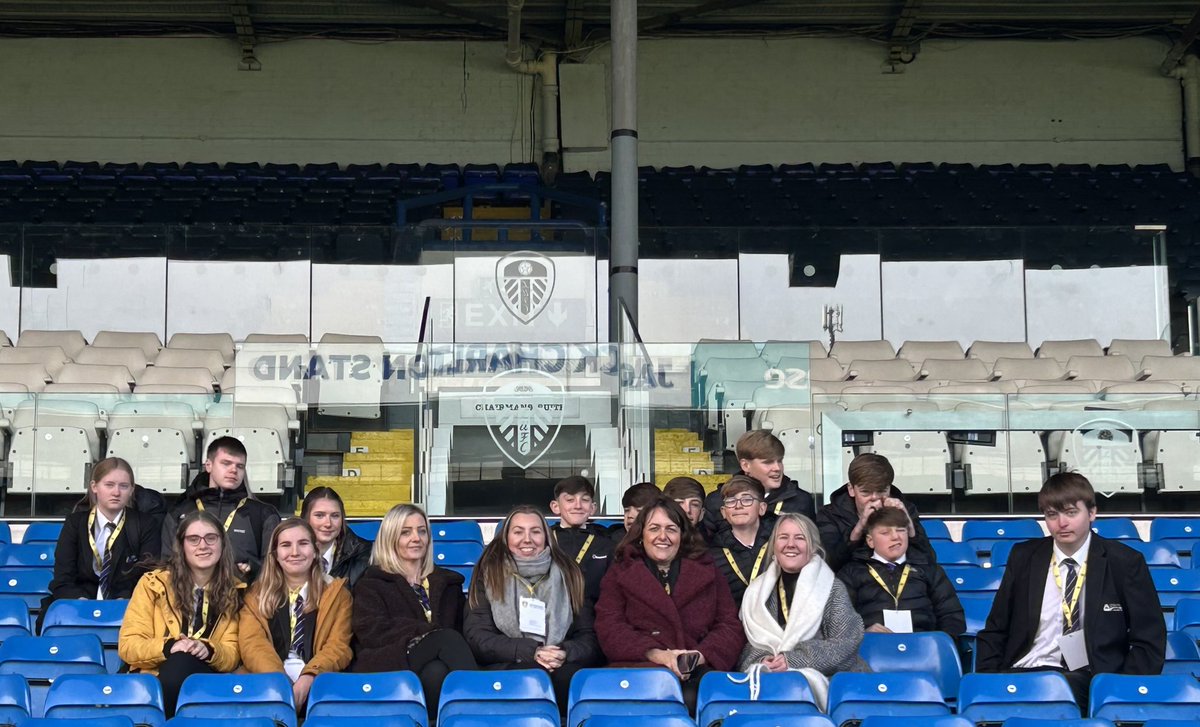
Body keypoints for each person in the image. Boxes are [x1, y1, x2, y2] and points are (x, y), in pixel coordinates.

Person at [975, 472, 1166, 708]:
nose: (1061, 523)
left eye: (1071, 512)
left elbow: (1149, 638)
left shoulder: (1124, 562)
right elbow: (995, 630)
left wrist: (1120, 690)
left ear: (1092, 513)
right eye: (1052, 514)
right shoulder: (1024, 556)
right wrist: (988, 679)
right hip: (1023, 671)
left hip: (1088, 677)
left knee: (1061, 693)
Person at [595, 495, 745, 712]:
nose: (662, 536)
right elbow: (610, 626)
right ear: (641, 535)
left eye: (671, 529)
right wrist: (658, 654)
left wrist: (699, 656)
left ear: (682, 535)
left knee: (704, 699)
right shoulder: (620, 572)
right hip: (638, 669)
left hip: (698, 670)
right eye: (654, 528)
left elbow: (728, 625)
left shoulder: (708, 570)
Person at [465, 506, 601, 714]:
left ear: (546, 537)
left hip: (560, 663)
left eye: (535, 531)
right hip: (506, 663)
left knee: (571, 678)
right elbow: (478, 637)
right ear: (506, 538)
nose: (527, 539)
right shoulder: (488, 574)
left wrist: (564, 652)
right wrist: (531, 652)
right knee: (532, 674)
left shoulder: (571, 574)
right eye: (518, 532)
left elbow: (589, 637)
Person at [352, 504, 477, 723]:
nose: (416, 538)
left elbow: (462, 632)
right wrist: (429, 635)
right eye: (405, 532)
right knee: (445, 638)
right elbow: (372, 633)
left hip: (434, 666)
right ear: (391, 538)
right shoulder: (371, 584)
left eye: (421, 531)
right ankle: (478, 709)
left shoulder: (447, 583)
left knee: (436, 672)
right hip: (390, 660)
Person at [118, 510, 244, 717]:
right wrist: (170, 646)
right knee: (179, 661)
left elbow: (232, 655)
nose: (203, 545)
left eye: (211, 538)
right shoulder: (153, 584)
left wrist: (208, 649)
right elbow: (128, 646)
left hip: (209, 678)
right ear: (181, 545)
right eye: (193, 539)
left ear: (222, 543)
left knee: (183, 662)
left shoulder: (237, 590)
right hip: (154, 677)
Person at [739, 512, 869, 711]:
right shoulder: (756, 593)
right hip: (771, 677)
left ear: (813, 547)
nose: (791, 544)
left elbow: (846, 643)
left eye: (800, 538)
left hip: (829, 680)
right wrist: (762, 660)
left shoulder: (832, 588)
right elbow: (751, 643)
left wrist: (793, 660)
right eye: (783, 537)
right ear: (774, 546)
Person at [239, 518, 353, 713]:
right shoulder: (255, 596)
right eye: (285, 545)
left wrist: (310, 676)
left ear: (315, 549)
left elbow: (338, 646)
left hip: (320, 678)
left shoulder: (338, 594)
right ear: (275, 554)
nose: (295, 552)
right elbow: (253, 644)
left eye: (303, 543)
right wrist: (280, 681)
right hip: (269, 678)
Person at [44, 458, 161, 622]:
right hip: (79, 605)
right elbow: (63, 577)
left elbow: (148, 575)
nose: (116, 492)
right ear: (94, 487)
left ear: (131, 490)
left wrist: (122, 602)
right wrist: (82, 604)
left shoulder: (146, 524)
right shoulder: (75, 523)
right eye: (109, 485)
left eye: (124, 486)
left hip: (128, 606)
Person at [162, 436, 281, 582]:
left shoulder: (263, 514)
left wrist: (252, 569)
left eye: (240, 466)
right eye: (226, 463)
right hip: (189, 598)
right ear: (209, 465)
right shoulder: (179, 512)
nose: (233, 470)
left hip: (243, 600)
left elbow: (274, 567)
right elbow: (167, 564)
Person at [836, 506, 965, 638]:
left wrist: (935, 643)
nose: (896, 537)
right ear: (870, 541)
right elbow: (837, 620)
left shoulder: (929, 569)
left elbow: (952, 616)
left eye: (901, 530)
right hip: (870, 648)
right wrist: (863, 633)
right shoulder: (851, 572)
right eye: (885, 533)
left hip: (923, 648)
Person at [816, 452, 935, 572]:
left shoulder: (905, 509)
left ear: (889, 488)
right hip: (852, 585)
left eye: (881, 491)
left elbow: (929, 562)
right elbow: (828, 565)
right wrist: (859, 528)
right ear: (851, 489)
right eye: (866, 492)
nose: (874, 498)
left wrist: (909, 525)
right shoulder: (829, 515)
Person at [702, 430, 816, 540]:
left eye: (780, 461)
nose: (777, 468)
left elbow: (812, 548)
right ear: (745, 465)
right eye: (768, 462)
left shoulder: (801, 500)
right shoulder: (717, 501)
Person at [548, 475, 614, 603]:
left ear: (592, 508)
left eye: (584, 500)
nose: (578, 506)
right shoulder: (544, 541)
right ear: (555, 506)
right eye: (570, 500)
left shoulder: (607, 545)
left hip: (593, 618)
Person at [709, 475, 772, 609]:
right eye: (731, 501)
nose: (738, 506)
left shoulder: (779, 544)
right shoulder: (711, 553)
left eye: (746, 499)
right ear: (724, 512)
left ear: (762, 508)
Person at [302, 486, 371, 588]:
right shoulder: (290, 552)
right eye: (319, 515)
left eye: (335, 516)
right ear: (305, 518)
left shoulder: (363, 553)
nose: (328, 523)